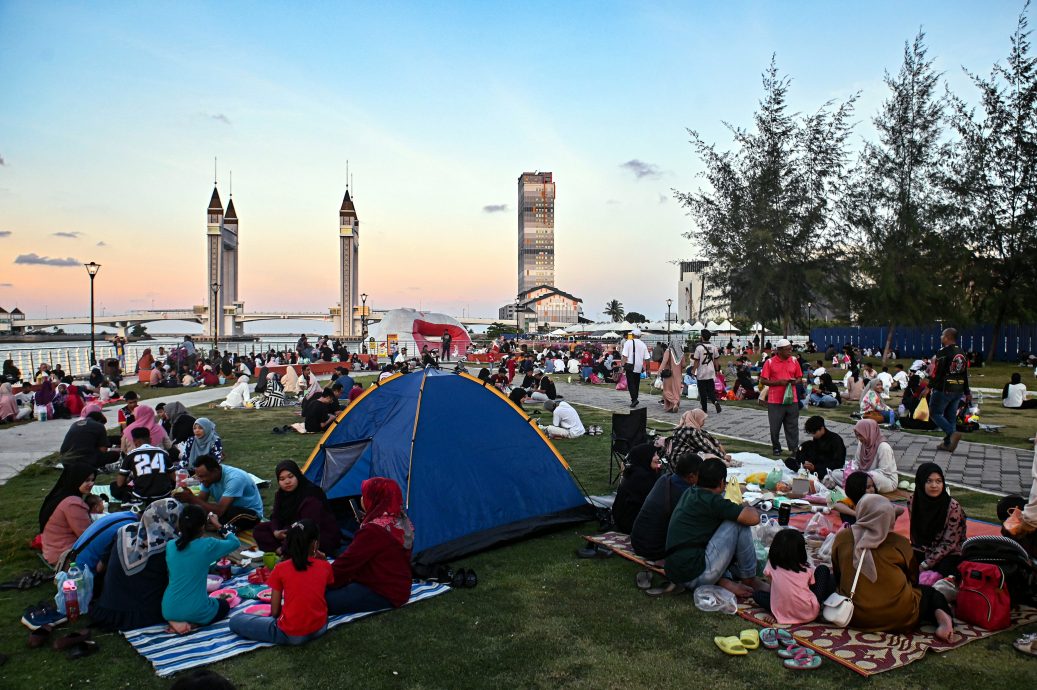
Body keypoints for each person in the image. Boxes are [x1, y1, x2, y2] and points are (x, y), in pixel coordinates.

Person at [831, 494, 956, 642]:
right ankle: (944, 621)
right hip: (900, 617)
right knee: (930, 594)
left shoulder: (843, 537)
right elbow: (913, 578)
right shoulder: (900, 543)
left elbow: (838, 572)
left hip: (852, 614)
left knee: (829, 579)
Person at [664, 459, 764, 596]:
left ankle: (725, 580)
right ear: (722, 482)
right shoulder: (713, 502)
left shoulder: (690, 492)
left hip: (675, 571)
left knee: (730, 520)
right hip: (694, 574)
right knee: (739, 523)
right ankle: (749, 578)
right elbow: (753, 519)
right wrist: (746, 506)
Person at [231, 519, 333, 645]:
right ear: (315, 544)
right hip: (321, 627)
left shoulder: (281, 568)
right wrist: (323, 559)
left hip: (292, 634)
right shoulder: (325, 566)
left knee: (236, 620)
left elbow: (275, 612)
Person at [326, 477, 414, 615]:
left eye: (365, 495)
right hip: (400, 586)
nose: (361, 499)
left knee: (320, 600)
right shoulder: (401, 519)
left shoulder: (373, 530)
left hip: (382, 591)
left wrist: (322, 580)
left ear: (375, 499)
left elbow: (347, 563)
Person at [91, 498, 181, 631]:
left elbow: (100, 567)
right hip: (144, 614)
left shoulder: (122, 531)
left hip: (107, 611)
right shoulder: (171, 545)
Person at [162, 504, 240, 633]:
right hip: (195, 610)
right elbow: (235, 542)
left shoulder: (170, 545)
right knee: (224, 605)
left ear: (180, 524)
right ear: (203, 527)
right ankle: (192, 624)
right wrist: (218, 524)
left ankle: (177, 621)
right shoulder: (208, 545)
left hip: (168, 609)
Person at [254, 460, 341, 555]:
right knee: (260, 529)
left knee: (302, 540)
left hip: (314, 534)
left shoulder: (311, 495)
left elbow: (307, 526)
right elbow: (276, 516)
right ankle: (281, 550)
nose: (287, 482)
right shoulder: (281, 494)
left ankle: (286, 551)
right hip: (289, 530)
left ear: (297, 475)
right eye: (282, 479)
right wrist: (276, 531)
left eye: (290, 477)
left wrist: (288, 535)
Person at [751, 528, 833, 624]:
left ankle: (779, 611)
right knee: (823, 570)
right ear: (801, 551)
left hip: (782, 610)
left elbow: (772, 587)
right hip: (810, 612)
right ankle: (820, 605)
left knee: (757, 595)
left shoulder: (771, 565)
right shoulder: (806, 569)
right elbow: (811, 585)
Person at [630, 453, 701, 561]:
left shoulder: (665, 478)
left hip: (637, 541)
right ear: (691, 476)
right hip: (654, 549)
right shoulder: (685, 495)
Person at [908, 463, 965, 577]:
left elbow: (949, 544)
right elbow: (915, 535)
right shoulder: (913, 501)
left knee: (944, 573)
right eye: (929, 481)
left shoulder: (953, 507)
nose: (934, 485)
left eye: (939, 481)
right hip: (923, 549)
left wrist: (926, 564)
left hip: (948, 553)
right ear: (921, 482)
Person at [176, 455, 264, 529]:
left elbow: (219, 511)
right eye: (199, 476)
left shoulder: (234, 479)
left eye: (202, 476)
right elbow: (201, 501)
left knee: (222, 516)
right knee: (198, 512)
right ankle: (215, 524)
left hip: (251, 514)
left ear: (215, 471)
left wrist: (192, 499)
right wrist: (189, 496)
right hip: (227, 508)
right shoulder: (208, 479)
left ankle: (220, 527)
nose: (200, 480)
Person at [39, 463, 96, 565]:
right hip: (64, 555)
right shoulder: (73, 503)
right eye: (87, 480)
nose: (91, 483)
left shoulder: (59, 495)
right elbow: (87, 535)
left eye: (92, 480)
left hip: (50, 550)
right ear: (76, 480)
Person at [828, 419, 899, 493]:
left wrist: (864, 475)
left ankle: (856, 488)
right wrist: (850, 470)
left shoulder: (884, 447)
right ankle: (858, 488)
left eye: (861, 435)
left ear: (869, 432)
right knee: (836, 473)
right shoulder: (861, 443)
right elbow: (857, 463)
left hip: (885, 480)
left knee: (873, 477)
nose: (859, 438)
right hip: (863, 475)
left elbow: (885, 472)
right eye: (857, 435)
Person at [759, 339, 803, 456]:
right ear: (779, 350)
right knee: (775, 426)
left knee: (792, 425)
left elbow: (799, 377)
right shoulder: (769, 362)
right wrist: (779, 382)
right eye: (787, 349)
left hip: (791, 399)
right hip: (775, 400)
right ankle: (776, 447)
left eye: (790, 349)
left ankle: (794, 448)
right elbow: (763, 380)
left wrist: (794, 382)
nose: (790, 351)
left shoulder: (794, 361)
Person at [929, 328, 970, 452]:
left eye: (942, 335)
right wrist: (967, 392)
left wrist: (929, 386)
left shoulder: (943, 352)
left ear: (947, 337)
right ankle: (948, 444)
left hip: (944, 388)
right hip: (958, 389)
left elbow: (937, 372)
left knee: (934, 413)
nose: (941, 337)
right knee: (950, 417)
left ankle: (952, 433)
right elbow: (964, 373)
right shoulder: (962, 352)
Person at [113, 426, 175, 502]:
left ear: (135, 442)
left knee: (114, 486)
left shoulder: (130, 455)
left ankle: (129, 499)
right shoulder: (163, 453)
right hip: (164, 493)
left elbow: (120, 483)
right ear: (150, 440)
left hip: (142, 495)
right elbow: (173, 477)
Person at [612, 444, 662, 534]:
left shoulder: (633, 471)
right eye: (654, 455)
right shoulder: (643, 478)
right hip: (633, 525)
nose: (658, 457)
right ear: (645, 457)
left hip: (622, 521)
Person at [787, 415, 846, 480]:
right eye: (811, 433)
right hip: (815, 465)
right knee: (791, 460)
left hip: (826, 468)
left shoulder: (835, 440)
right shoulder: (817, 438)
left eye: (814, 433)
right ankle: (803, 468)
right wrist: (807, 463)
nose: (813, 435)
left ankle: (806, 471)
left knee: (829, 473)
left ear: (822, 428)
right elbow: (815, 454)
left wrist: (815, 468)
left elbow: (838, 463)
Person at [664, 409, 729, 463]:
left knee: (707, 443)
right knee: (712, 458)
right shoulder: (691, 431)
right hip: (680, 462)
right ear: (696, 419)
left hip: (677, 459)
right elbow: (705, 447)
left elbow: (706, 434)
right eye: (703, 420)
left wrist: (718, 444)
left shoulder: (685, 426)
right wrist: (722, 456)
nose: (704, 422)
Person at [59, 404, 113, 469]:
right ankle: (94, 468)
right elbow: (103, 450)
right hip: (82, 461)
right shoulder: (99, 426)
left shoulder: (75, 424)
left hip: (65, 460)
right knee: (114, 455)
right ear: (99, 421)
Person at [692, 329, 721, 414]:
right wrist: (717, 370)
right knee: (711, 390)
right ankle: (715, 401)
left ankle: (704, 409)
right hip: (711, 371)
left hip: (702, 372)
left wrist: (693, 370)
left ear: (702, 337)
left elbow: (696, 361)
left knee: (702, 392)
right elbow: (716, 360)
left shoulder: (699, 348)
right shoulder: (714, 347)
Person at [620, 329, 650, 408]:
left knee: (631, 383)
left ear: (632, 335)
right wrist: (648, 369)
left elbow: (624, 356)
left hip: (630, 366)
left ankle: (634, 399)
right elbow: (647, 358)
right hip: (639, 367)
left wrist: (622, 366)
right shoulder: (643, 344)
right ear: (640, 336)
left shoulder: (628, 342)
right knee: (636, 383)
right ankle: (635, 398)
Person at [659, 339, 686, 413]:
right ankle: (675, 404)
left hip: (669, 375)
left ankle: (673, 402)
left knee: (666, 391)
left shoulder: (668, 351)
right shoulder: (681, 353)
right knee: (676, 391)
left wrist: (660, 371)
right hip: (678, 375)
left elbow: (664, 361)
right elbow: (684, 365)